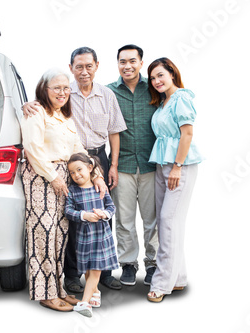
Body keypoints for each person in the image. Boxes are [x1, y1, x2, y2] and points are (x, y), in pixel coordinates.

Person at [23, 47, 126, 292]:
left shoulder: (101, 97)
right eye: (78, 66)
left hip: (91, 159)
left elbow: (109, 133)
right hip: (60, 169)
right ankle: (69, 278)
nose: (84, 71)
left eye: (89, 66)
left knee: (93, 219)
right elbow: (33, 144)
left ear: (97, 66)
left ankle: (102, 273)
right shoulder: (54, 100)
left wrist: (101, 171)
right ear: (71, 69)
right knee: (66, 224)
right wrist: (26, 104)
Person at [20, 68, 87, 312]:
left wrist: (94, 172)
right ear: (44, 89)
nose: (62, 92)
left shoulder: (64, 115)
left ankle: (58, 288)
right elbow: (32, 148)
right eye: (56, 88)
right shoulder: (35, 111)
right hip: (42, 177)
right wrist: (54, 177)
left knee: (60, 236)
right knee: (43, 235)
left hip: (62, 177)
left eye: (66, 88)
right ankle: (45, 293)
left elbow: (78, 148)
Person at [146, 58, 204, 302]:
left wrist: (178, 166)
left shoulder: (181, 98)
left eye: (160, 75)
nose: (157, 81)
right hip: (161, 164)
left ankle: (161, 283)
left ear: (172, 73)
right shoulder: (163, 101)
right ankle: (178, 277)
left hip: (179, 166)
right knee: (167, 221)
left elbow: (187, 133)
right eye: (152, 78)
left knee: (168, 221)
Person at [107, 44, 159, 286]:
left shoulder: (154, 88)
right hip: (122, 165)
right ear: (117, 64)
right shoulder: (109, 92)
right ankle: (128, 264)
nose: (127, 66)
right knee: (124, 219)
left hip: (152, 164)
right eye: (122, 61)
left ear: (140, 63)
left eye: (132, 61)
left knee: (153, 219)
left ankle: (153, 264)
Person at [65, 153, 118, 318]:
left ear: (90, 168)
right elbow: (68, 211)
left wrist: (103, 214)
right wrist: (84, 215)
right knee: (88, 269)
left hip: (101, 236)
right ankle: (95, 292)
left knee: (95, 269)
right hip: (83, 237)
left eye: (79, 170)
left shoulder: (99, 188)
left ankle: (85, 302)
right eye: (72, 173)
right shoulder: (73, 191)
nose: (76, 175)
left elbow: (111, 207)